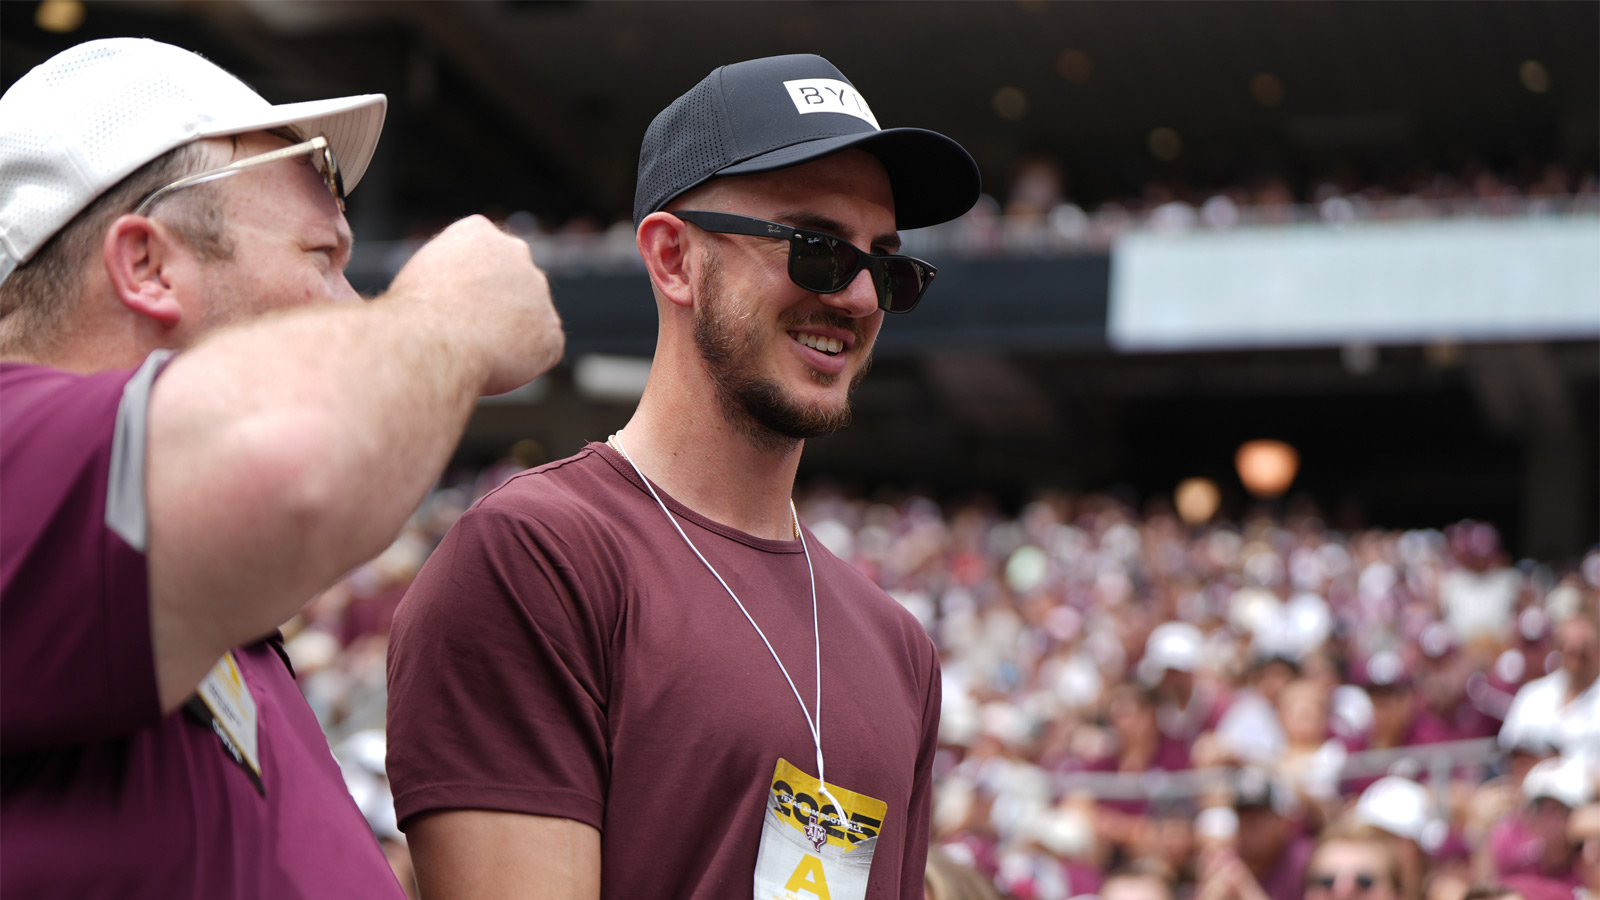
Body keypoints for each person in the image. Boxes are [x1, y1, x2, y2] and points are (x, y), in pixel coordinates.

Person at [385, 53, 979, 900]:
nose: (856, 298)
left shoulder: (898, 645)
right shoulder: (537, 556)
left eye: (886, 265)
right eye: (815, 248)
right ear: (673, 258)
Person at [0, 38, 563, 897]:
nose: (355, 308)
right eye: (321, 260)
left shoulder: (209, 617)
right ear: (147, 264)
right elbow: (289, 457)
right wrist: (451, 317)